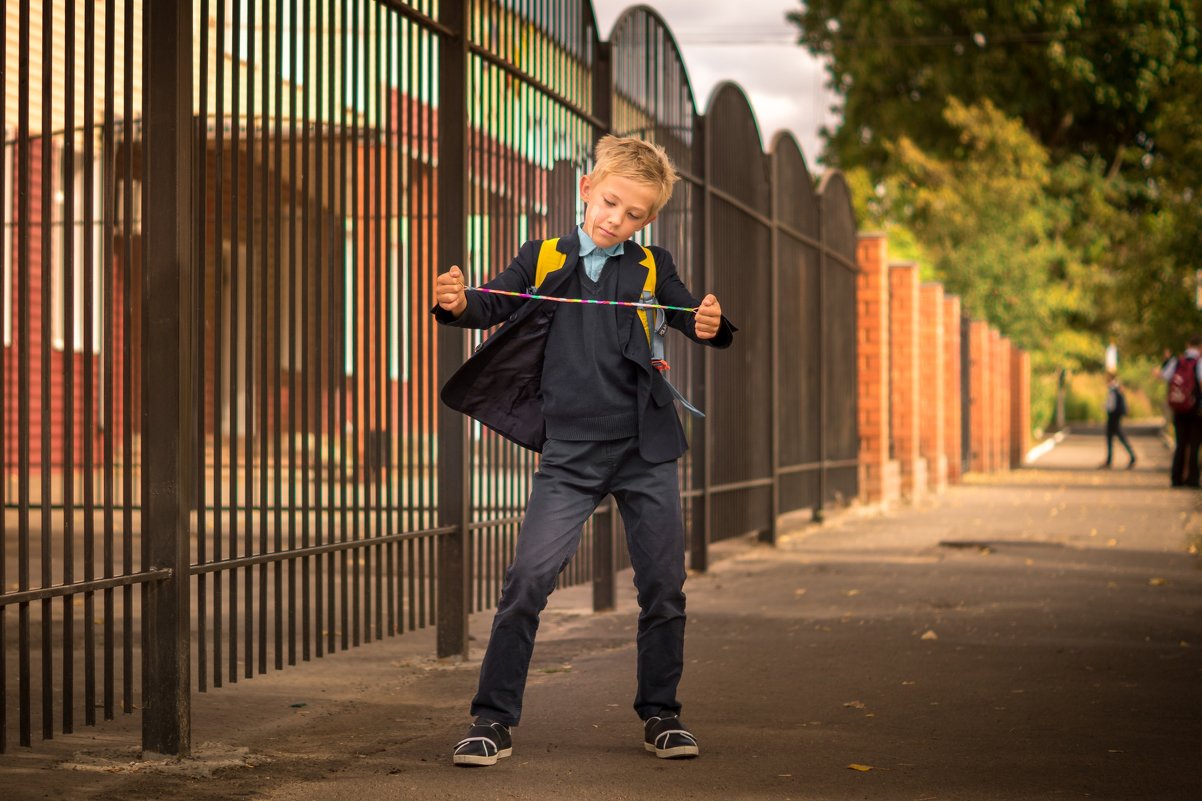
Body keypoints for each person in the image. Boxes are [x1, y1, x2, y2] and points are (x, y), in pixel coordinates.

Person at [432, 135, 735, 766]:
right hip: (570, 453)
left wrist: (710, 323)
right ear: (586, 190)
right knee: (527, 581)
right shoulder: (544, 257)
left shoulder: (652, 267)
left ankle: (662, 714)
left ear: (647, 222)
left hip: (644, 449)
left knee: (663, 586)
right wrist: (458, 304)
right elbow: (496, 302)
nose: (615, 220)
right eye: (610, 203)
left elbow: (689, 315)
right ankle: (491, 720)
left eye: (633, 215)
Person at [1160, 336, 1202, 487]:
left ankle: (1176, 477)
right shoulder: (1199, 362)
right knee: (1194, 445)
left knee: (1180, 443)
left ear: (1187, 344)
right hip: (1195, 409)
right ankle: (1192, 478)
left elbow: (1164, 376)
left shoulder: (1177, 361)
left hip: (1179, 408)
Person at [1100, 373, 1135, 469]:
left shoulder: (1113, 389)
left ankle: (1131, 457)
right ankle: (1109, 460)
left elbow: (1111, 405)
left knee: (1115, 437)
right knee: (1113, 437)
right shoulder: (1118, 388)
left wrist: (1104, 407)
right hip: (1117, 416)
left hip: (1113, 417)